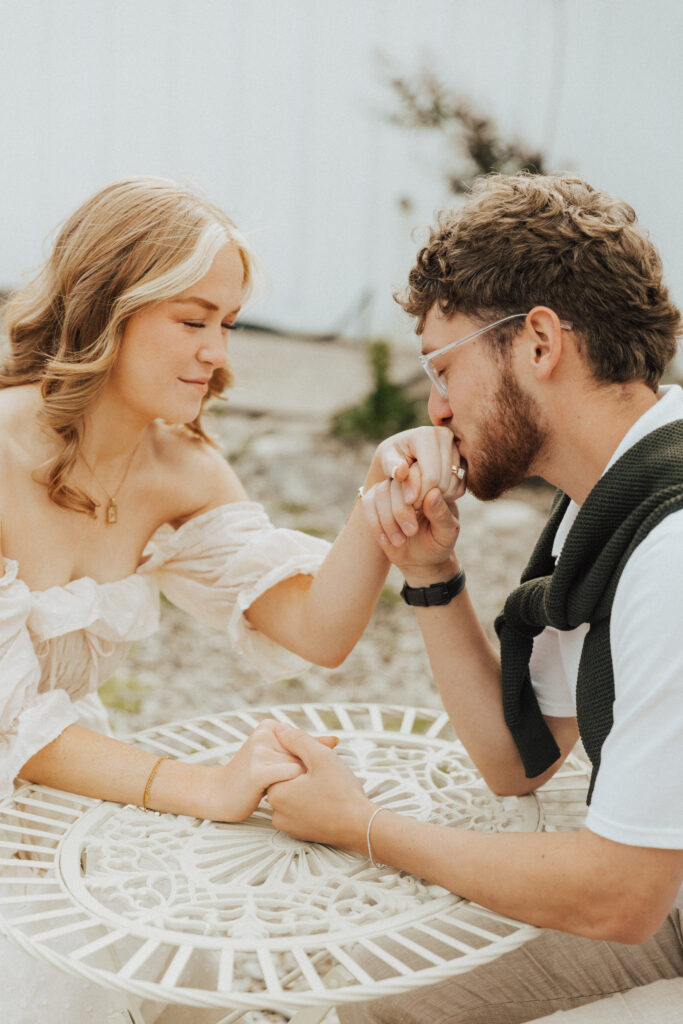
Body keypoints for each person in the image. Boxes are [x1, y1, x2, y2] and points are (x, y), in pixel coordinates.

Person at [0, 175, 462, 1023]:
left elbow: (314, 631)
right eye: (192, 320)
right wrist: (207, 787)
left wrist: (375, 497)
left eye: (228, 324)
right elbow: (9, 726)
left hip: (60, 790)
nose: (218, 353)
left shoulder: (182, 469)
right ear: (107, 306)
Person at [267, 173, 683, 1023]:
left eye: (443, 365)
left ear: (537, 342)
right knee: (353, 995)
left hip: (652, 897)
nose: (434, 405)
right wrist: (427, 573)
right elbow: (518, 760)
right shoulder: (605, 504)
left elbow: (620, 895)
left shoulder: (669, 550)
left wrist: (363, 826)